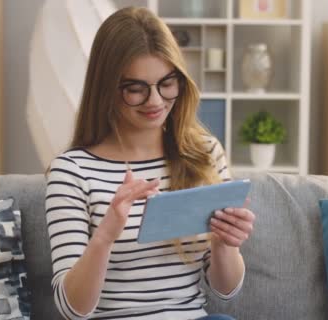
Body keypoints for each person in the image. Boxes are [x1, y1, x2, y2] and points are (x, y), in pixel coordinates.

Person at [45, 6, 255, 320]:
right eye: (136, 89)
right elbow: (72, 309)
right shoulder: (72, 171)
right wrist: (104, 237)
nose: (155, 101)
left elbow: (225, 290)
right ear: (107, 90)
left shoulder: (205, 154)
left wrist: (226, 244)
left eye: (167, 83)